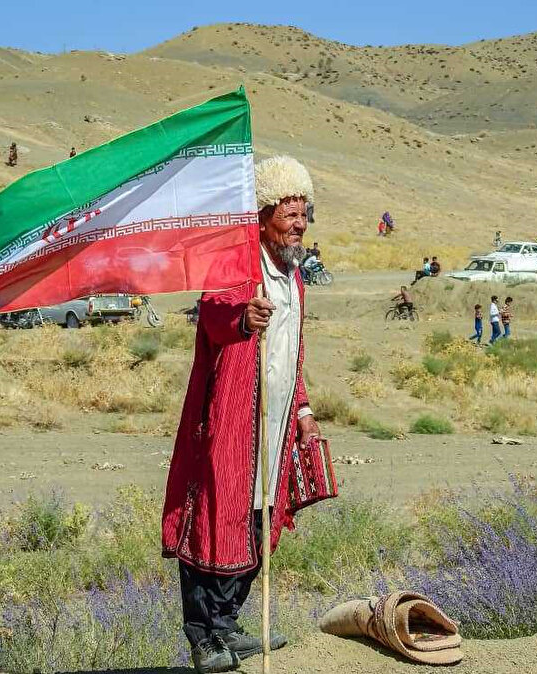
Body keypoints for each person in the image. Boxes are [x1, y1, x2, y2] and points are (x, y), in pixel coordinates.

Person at [162, 155, 320, 674]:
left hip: (273, 427)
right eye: (289, 215)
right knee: (214, 521)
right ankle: (203, 637)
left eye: (304, 215)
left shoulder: (293, 279)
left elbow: (291, 354)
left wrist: (303, 409)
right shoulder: (238, 268)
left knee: (258, 519)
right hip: (230, 424)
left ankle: (229, 624)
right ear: (262, 215)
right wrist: (240, 318)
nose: (299, 225)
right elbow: (211, 315)